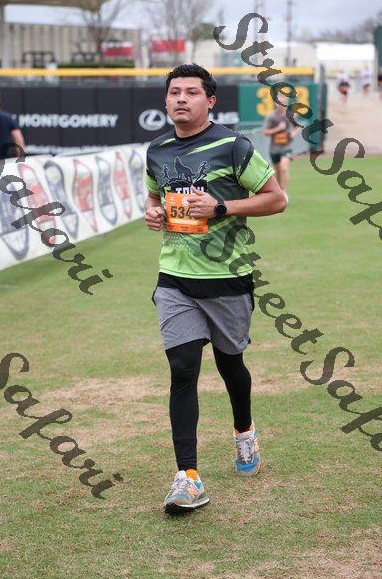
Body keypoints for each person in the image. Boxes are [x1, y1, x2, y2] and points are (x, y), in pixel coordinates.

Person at [144, 64, 286, 515]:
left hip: (227, 278)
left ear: (210, 100)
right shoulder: (157, 150)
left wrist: (221, 206)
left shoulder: (234, 145)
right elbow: (154, 196)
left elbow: (276, 198)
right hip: (174, 278)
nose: (180, 99)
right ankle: (187, 477)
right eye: (174, 92)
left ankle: (244, 431)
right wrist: (152, 212)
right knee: (182, 368)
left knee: (230, 365)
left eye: (191, 92)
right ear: (166, 100)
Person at [262, 95, 301, 197]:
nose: (281, 105)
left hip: (286, 147)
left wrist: (292, 133)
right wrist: (278, 129)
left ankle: (284, 191)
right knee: (278, 171)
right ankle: (279, 190)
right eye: (279, 102)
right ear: (276, 103)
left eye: (283, 102)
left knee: (283, 168)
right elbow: (265, 132)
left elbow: (297, 127)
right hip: (274, 149)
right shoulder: (271, 117)